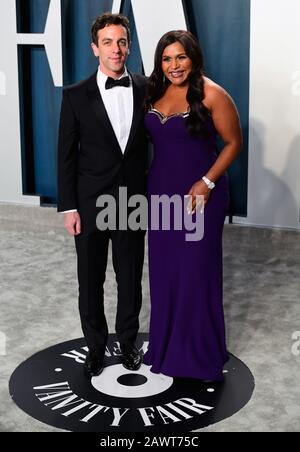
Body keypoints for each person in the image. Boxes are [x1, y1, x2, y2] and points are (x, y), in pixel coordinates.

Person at [143, 30, 243, 381]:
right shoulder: (153, 90)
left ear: (193, 57)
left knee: (195, 272)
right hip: (160, 195)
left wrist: (208, 182)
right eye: (167, 58)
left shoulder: (213, 94)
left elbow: (234, 142)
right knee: (165, 271)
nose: (174, 65)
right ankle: (165, 346)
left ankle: (199, 354)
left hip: (200, 196)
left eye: (181, 57)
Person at [57, 13, 148, 377]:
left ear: (129, 46)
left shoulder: (145, 88)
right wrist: (69, 208)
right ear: (95, 48)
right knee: (90, 279)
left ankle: (128, 343)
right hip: (90, 203)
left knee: (129, 277)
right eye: (108, 42)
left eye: (122, 41)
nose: (116, 49)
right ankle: (94, 347)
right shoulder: (76, 96)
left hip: (133, 202)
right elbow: (65, 155)